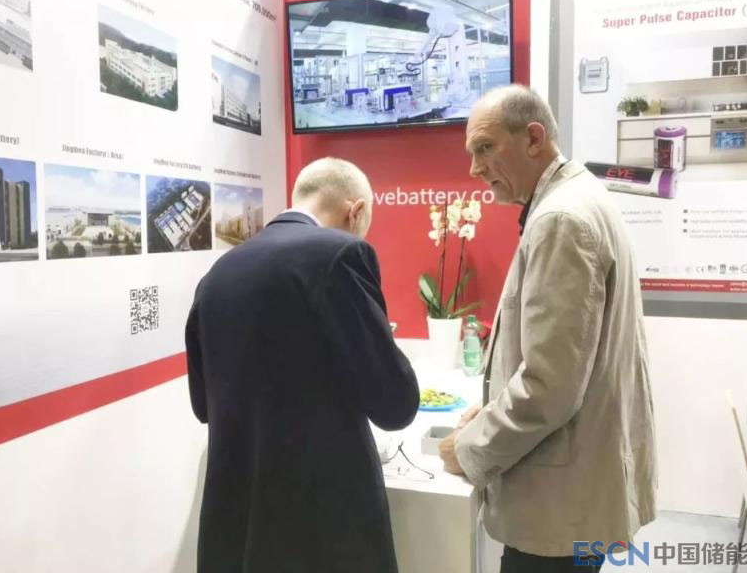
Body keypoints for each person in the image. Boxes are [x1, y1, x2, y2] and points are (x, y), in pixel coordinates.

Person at [439, 85, 657, 572]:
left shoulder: (561, 219)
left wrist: (470, 450)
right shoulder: (578, 197)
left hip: (558, 507)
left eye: (485, 148)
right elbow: (568, 358)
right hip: (576, 488)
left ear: (533, 138)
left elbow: (549, 386)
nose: (474, 168)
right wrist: (493, 405)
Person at [186, 157, 419, 573]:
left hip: (237, 525)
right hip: (323, 527)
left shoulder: (218, 273)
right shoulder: (341, 254)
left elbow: (204, 406)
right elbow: (395, 404)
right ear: (355, 211)